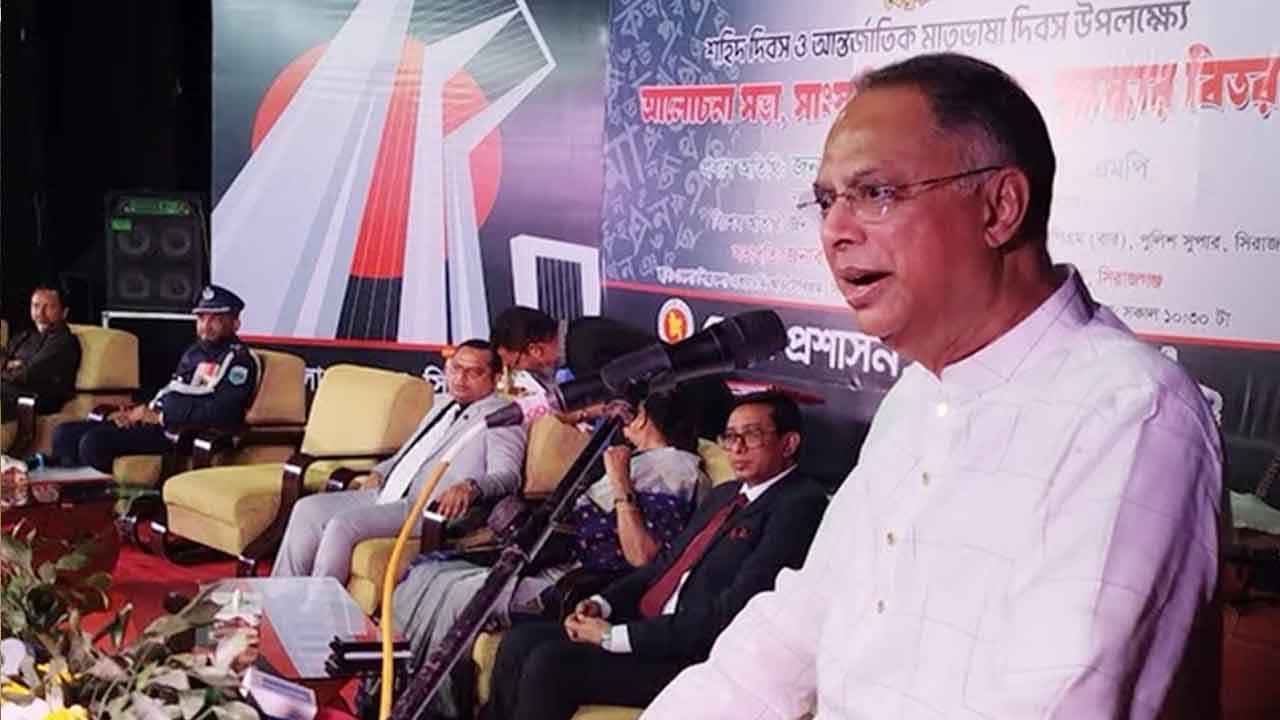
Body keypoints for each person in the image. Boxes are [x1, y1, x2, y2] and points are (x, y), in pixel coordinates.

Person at [643, 53, 1222, 719]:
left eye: (876, 193)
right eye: (827, 201)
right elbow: (795, 629)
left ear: (999, 207)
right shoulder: (918, 399)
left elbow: (1057, 702)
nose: (835, 231)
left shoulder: (1131, 415)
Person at [486, 392, 828, 720]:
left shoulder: (799, 503)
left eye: (751, 436)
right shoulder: (726, 494)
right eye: (730, 436)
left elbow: (733, 612)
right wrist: (602, 604)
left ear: (788, 443)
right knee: (519, 641)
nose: (736, 448)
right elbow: (665, 565)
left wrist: (612, 636)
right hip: (650, 626)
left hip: (694, 654)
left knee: (550, 664)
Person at [390, 387, 710, 719]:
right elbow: (569, 416)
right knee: (426, 573)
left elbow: (642, 557)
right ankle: (395, 688)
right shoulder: (632, 456)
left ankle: (438, 709)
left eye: (632, 412)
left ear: (643, 418)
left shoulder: (676, 468)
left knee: (460, 594)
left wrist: (620, 482)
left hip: (585, 581)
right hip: (553, 561)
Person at [272, 339, 526, 582]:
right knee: (307, 509)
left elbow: (509, 476)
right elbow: (410, 452)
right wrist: (380, 472)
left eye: (474, 372)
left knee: (342, 526)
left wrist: (471, 486)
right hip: (390, 490)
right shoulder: (443, 404)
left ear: (496, 378)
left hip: (426, 507)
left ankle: (320, 605)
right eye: (456, 368)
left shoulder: (502, 417)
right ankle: (280, 594)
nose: (460, 378)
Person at [50, 285, 259, 472]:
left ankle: (109, 492)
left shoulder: (239, 361)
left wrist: (161, 416)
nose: (206, 325)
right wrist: (137, 411)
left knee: (94, 443)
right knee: (64, 434)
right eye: (202, 318)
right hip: (157, 421)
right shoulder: (195, 352)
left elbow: (223, 411)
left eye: (216, 319)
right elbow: (173, 389)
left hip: (179, 433)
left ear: (235, 324)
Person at [1, 285, 81, 418]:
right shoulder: (25, 335)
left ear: (64, 312)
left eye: (49, 307)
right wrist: (10, 365)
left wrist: (9, 366)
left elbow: (28, 374)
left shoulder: (64, 341)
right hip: (10, 391)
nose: (40, 313)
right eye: (36, 306)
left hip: (36, 399)